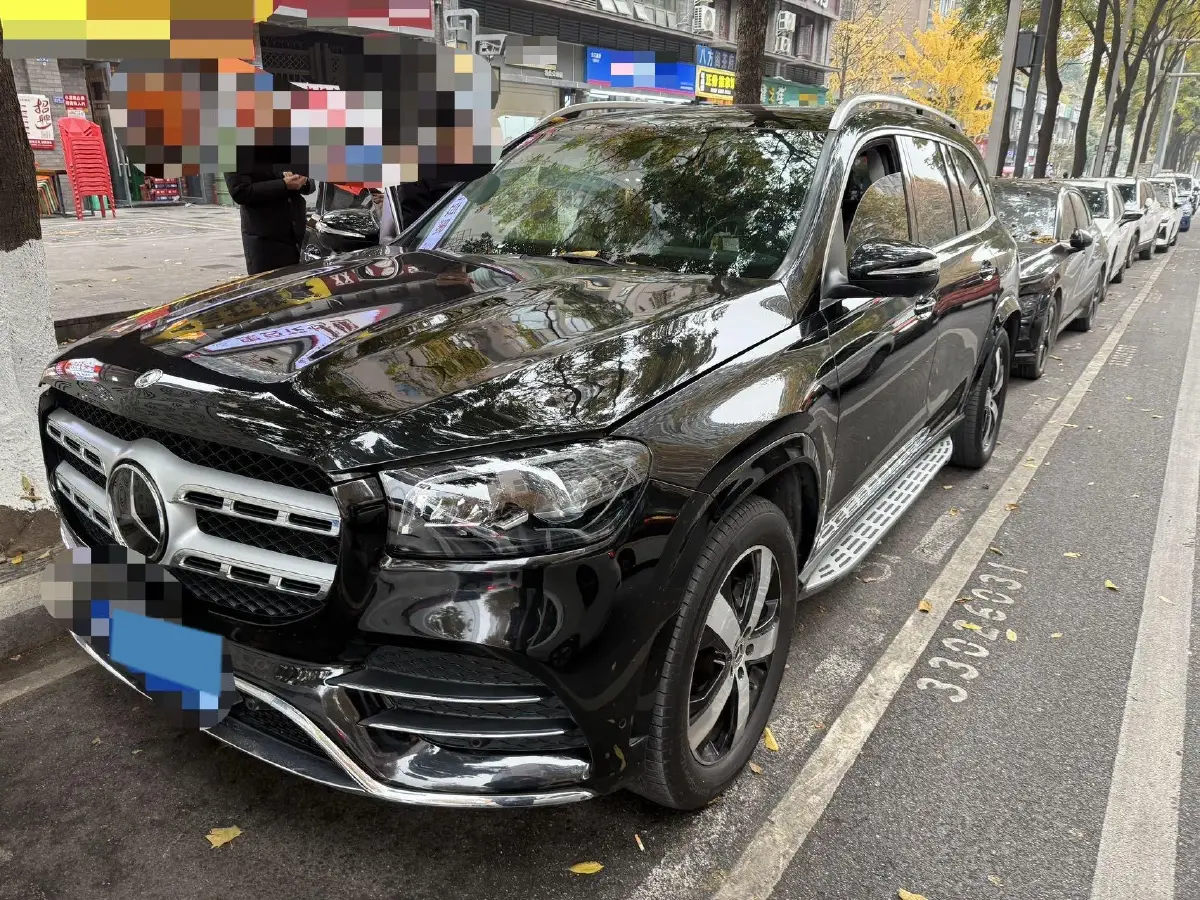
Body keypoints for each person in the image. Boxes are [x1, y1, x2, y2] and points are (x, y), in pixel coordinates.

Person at [224, 164, 316, 275]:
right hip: (266, 240)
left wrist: (304, 181)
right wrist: (284, 185)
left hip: (299, 234)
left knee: (304, 286)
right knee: (273, 287)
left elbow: (310, 184)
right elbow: (240, 192)